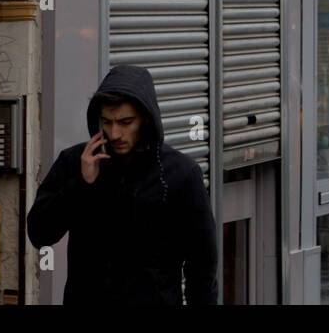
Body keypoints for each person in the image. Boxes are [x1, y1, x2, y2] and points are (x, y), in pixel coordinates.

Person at [28, 64, 218, 304]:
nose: (115, 133)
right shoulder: (76, 162)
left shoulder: (180, 173)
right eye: (107, 122)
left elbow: (202, 266)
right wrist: (81, 184)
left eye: (125, 122)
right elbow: (39, 233)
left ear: (146, 120)